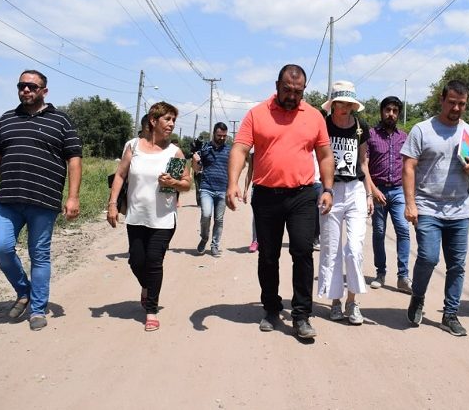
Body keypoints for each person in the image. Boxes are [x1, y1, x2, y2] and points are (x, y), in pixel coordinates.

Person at [226, 64, 334, 339]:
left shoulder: (314, 116)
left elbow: (324, 154)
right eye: (287, 90)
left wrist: (328, 188)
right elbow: (240, 149)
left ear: (304, 90)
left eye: (297, 91)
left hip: (302, 195)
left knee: (302, 252)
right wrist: (232, 183)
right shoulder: (257, 114)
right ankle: (271, 309)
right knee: (268, 256)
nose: (292, 96)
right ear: (277, 86)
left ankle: (301, 315)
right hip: (267, 197)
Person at [0, 69, 82, 331]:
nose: (26, 90)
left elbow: (74, 159)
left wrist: (73, 196)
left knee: (40, 255)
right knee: (0, 247)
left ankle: (37, 309)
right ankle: (23, 290)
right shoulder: (6, 120)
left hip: (43, 201)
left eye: (32, 86)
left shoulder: (61, 121)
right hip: (8, 200)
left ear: (44, 91)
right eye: (21, 86)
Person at [401, 79, 469, 337]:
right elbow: (409, 167)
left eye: (462, 104)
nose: (457, 108)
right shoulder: (422, 130)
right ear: (441, 100)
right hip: (427, 207)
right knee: (428, 257)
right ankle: (418, 296)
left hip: (459, 210)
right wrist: (410, 204)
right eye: (452, 102)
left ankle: (450, 314)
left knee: (457, 265)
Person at [107, 102, 190, 331]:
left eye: (174, 120)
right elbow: (120, 175)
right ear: (153, 121)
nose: (172, 124)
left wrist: (173, 183)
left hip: (163, 219)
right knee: (136, 260)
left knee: (154, 262)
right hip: (136, 216)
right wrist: (112, 203)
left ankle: (151, 310)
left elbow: (186, 183)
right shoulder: (133, 147)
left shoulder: (174, 152)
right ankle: (147, 287)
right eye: (167, 119)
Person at [317, 80, 373, 325]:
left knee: (354, 249)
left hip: (355, 190)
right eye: (341, 103)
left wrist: (369, 194)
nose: (345, 108)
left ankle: (353, 302)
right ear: (333, 103)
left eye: (349, 104)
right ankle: (335, 301)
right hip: (331, 191)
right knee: (331, 249)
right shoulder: (323, 126)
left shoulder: (361, 127)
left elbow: (363, 163)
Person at [366, 96, 412, 293]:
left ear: (398, 114)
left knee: (403, 230)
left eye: (394, 111)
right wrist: (373, 191)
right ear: (381, 112)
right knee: (379, 232)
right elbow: (364, 166)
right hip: (378, 191)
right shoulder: (370, 135)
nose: (391, 114)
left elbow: (411, 166)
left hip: (399, 190)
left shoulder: (404, 137)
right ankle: (380, 272)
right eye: (387, 110)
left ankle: (403, 276)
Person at [192, 122, 231, 257]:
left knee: (219, 220)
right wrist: (195, 160)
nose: (221, 138)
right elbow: (197, 170)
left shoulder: (229, 150)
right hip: (206, 188)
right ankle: (204, 238)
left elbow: (236, 168)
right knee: (206, 215)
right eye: (219, 135)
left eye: (224, 136)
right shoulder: (204, 148)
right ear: (214, 133)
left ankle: (215, 245)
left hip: (222, 190)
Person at [243, 147, 259, 253]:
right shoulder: (254, 154)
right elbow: (249, 172)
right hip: (258, 187)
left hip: (275, 188)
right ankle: (255, 240)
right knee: (257, 215)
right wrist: (245, 190)